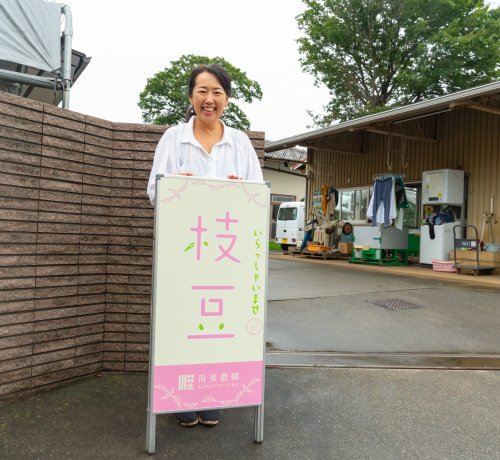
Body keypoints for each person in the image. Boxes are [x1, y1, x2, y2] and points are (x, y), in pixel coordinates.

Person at [147, 64, 264, 427]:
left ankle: (210, 393)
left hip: (226, 258)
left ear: (227, 99)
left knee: (217, 323)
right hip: (184, 256)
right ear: (191, 97)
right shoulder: (173, 137)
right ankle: (183, 397)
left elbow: (258, 195)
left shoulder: (240, 142)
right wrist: (174, 184)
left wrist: (238, 189)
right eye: (201, 91)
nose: (208, 99)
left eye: (216, 92)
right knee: (185, 321)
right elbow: (153, 190)